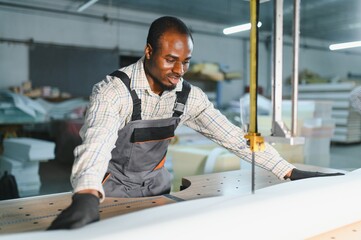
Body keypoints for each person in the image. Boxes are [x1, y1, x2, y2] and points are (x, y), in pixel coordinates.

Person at [48, 16, 343, 230]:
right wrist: (87, 193)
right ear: (148, 51)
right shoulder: (114, 92)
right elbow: (96, 141)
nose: (179, 70)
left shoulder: (188, 96)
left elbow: (234, 137)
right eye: (171, 59)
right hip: (110, 192)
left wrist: (288, 170)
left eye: (186, 61)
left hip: (156, 187)